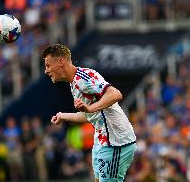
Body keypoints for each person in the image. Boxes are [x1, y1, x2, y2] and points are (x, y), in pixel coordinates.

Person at [41, 44, 137, 182]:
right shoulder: (74, 83)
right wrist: (64, 116)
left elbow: (115, 94)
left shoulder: (83, 79)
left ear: (61, 61)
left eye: (48, 65)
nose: (46, 71)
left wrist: (91, 108)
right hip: (102, 139)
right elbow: (89, 116)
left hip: (116, 142)